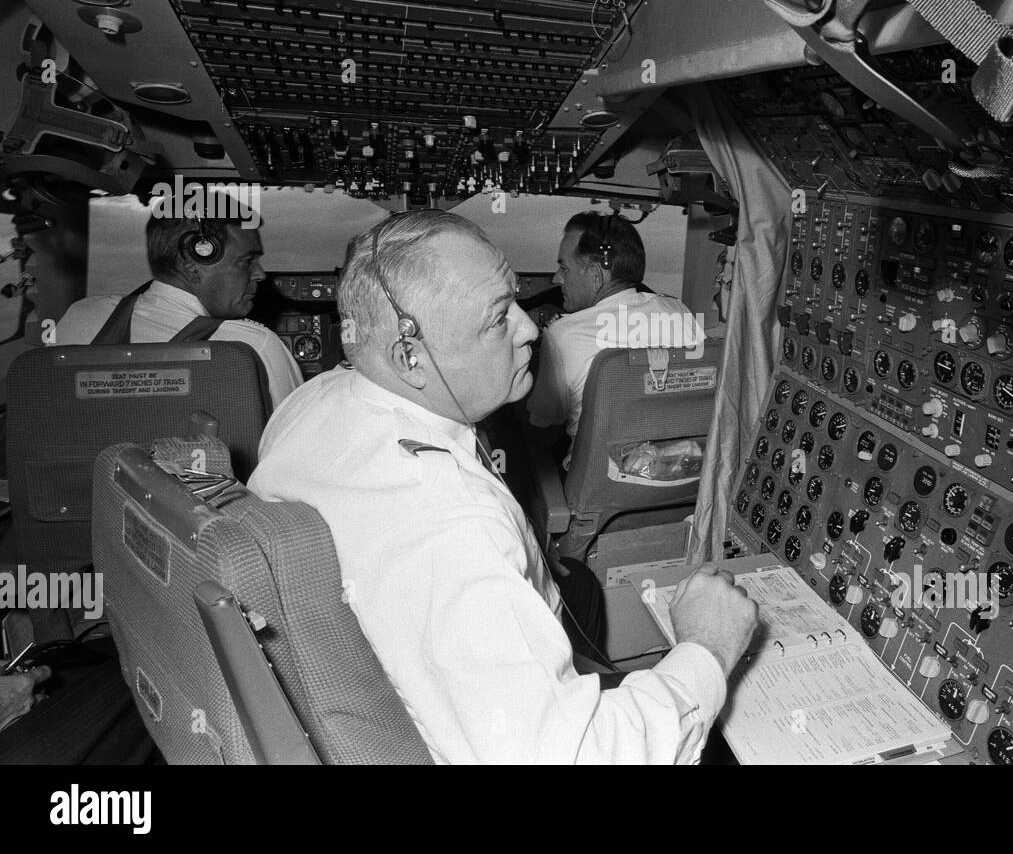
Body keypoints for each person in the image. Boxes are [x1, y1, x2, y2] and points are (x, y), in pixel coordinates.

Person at [248, 209, 757, 764]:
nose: (532, 328)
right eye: (498, 318)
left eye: (516, 299)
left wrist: (527, 551)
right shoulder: (452, 529)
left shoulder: (308, 401)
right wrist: (706, 648)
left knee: (577, 584)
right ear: (408, 356)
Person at [55, 211, 303, 408]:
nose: (260, 274)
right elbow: (295, 449)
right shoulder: (253, 347)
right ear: (193, 263)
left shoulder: (81, 317)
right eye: (247, 261)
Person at [526, 212, 700, 443]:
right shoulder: (679, 312)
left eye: (565, 268)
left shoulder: (563, 335)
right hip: (679, 469)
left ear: (596, 275)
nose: (557, 279)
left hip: (599, 477)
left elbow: (543, 418)